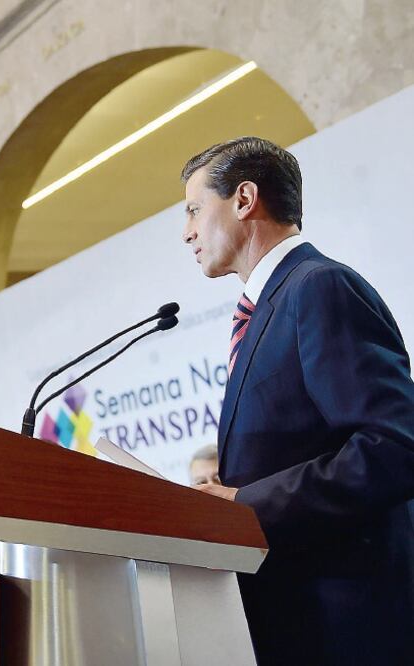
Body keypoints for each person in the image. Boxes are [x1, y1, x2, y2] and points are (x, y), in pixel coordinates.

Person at [180, 136, 414, 665]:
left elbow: (394, 447)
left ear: (244, 199)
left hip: (347, 625)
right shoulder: (270, 304)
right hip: (294, 617)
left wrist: (245, 503)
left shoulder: (319, 286)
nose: (186, 232)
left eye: (194, 209)